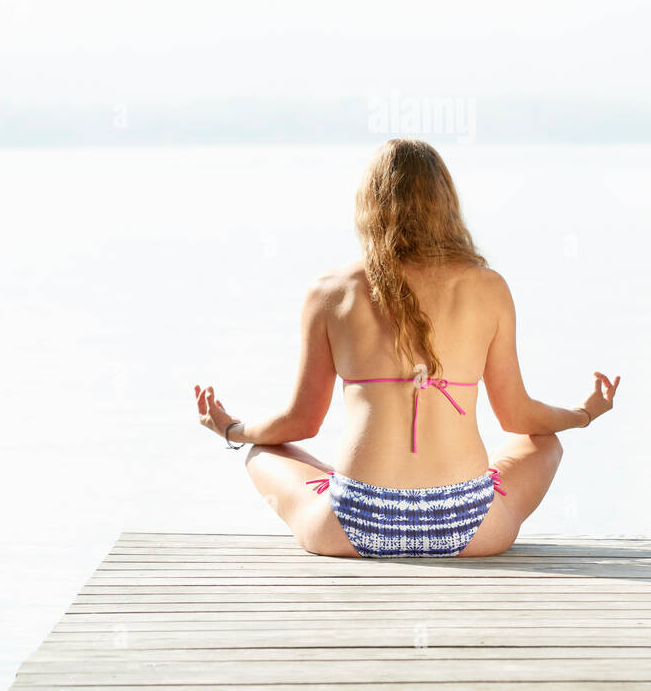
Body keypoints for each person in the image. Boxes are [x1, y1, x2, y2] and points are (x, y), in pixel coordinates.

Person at [195, 137, 621, 557]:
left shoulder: (329, 291)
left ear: (369, 205)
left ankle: (335, 483)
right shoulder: (488, 288)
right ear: (446, 204)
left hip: (352, 525)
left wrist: (232, 430)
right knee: (545, 442)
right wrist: (582, 415)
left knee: (261, 451)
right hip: (470, 527)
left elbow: (300, 423)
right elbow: (517, 416)